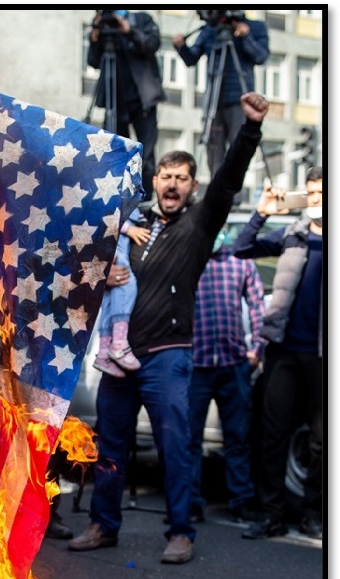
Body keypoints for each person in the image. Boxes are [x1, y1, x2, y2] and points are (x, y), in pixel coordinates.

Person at [67, 92, 269, 565]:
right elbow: (92, 257)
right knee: (112, 447)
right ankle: (103, 525)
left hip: (169, 356)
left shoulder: (199, 225)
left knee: (175, 447)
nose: (172, 184)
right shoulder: (134, 222)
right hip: (120, 358)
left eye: (181, 178)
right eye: (166, 176)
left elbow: (228, 180)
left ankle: (181, 532)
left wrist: (250, 129)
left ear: (191, 186)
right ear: (154, 181)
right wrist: (106, 274)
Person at [235, 168, 323, 541]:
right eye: (312, 192)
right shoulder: (293, 233)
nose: (317, 198)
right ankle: (271, 513)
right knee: (273, 434)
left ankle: (314, 514)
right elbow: (241, 247)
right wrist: (263, 212)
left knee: (322, 442)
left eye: (323, 191)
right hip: (284, 350)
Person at [187, 225, 266, 524]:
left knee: (238, 437)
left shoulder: (241, 260)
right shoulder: (191, 258)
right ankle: (191, 502)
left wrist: (257, 349)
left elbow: (258, 305)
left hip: (234, 364)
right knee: (190, 439)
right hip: (196, 363)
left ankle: (241, 500)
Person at [173, 13, 269, 177]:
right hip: (214, 101)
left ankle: (235, 197)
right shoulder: (210, 30)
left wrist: (246, 36)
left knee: (238, 149)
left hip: (241, 100)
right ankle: (215, 194)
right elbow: (191, 59)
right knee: (213, 150)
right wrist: (181, 47)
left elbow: (261, 57)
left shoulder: (254, 27)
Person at [87, 10, 164, 199]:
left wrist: (129, 30)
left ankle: (144, 203)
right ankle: (115, 200)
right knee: (114, 153)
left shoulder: (141, 19)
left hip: (142, 101)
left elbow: (151, 45)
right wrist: (95, 37)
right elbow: (93, 62)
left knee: (145, 157)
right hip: (115, 102)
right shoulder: (102, 23)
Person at [92, 214, 150, 377]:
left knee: (110, 298)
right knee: (127, 283)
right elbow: (108, 211)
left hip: (114, 242)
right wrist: (129, 229)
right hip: (115, 244)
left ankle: (104, 351)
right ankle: (118, 343)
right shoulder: (120, 191)